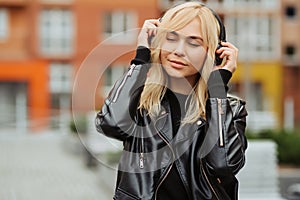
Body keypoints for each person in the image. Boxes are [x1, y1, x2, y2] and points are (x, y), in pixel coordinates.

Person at [95, 1, 248, 199]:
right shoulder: (139, 101)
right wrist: (141, 57)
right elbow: (110, 124)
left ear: (214, 54)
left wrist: (217, 88)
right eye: (171, 38)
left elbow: (223, 165)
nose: (178, 51)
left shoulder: (230, 109)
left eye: (193, 42)